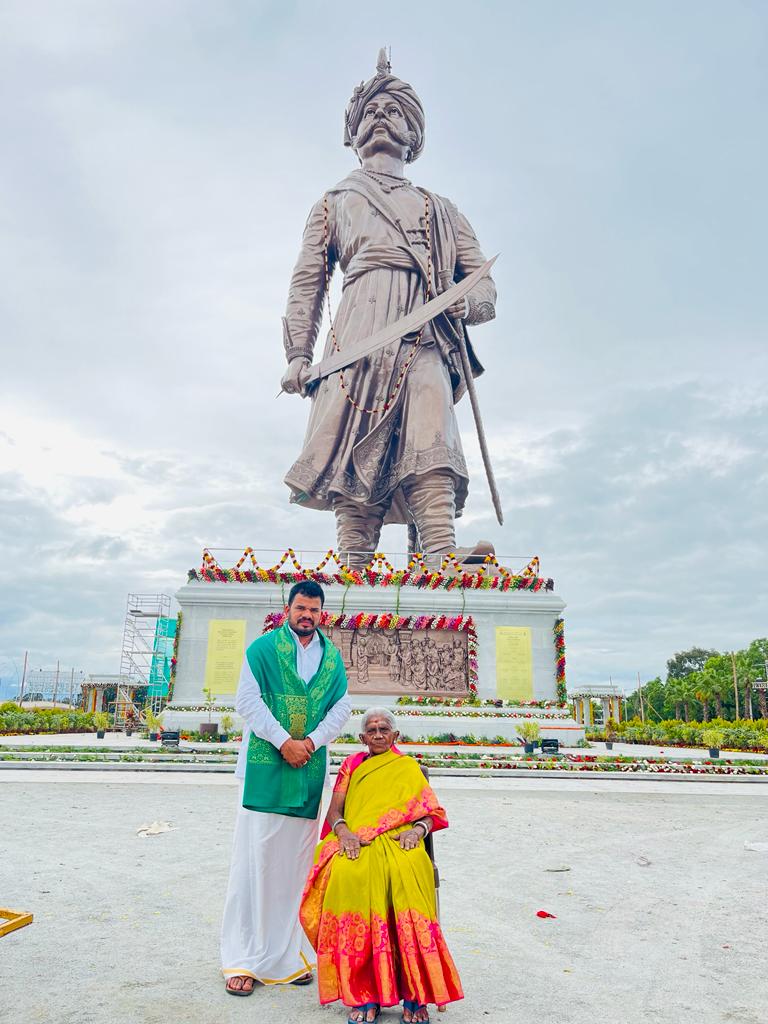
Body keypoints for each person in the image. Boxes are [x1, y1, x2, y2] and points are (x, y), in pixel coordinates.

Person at [280, 50, 497, 565]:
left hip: (425, 334)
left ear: (413, 133)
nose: (381, 116)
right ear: (354, 133)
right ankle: (353, 559)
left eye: (393, 110)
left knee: (429, 424)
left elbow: (484, 284)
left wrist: (470, 304)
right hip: (355, 338)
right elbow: (307, 281)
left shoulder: (442, 209)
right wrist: (296, 352)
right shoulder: (334, 201)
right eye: (370, 111)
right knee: (353, 437)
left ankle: (439, 550)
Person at [220, 580, 352, 995]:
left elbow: (343, 706)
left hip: (308, 772)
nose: (306, 615)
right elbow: (247, 701)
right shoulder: (261, 651)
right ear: (288, 607)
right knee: (255, 865)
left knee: (296, 869)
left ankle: (287, 956)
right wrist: (284, 742)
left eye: (313, 609)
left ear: (321, 613)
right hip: (267, 770)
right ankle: (243, 959)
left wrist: (310, 743)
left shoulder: (332, 660)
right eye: (300, 608)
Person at [299, 707, 463, 1023]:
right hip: (357, 838)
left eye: (384, 728)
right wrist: (344, 832)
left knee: (409, 872)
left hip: (401, 840)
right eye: (371, 730)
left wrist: (418, 831)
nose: (377, 734)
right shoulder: (352, 765)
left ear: (395, 735)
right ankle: (365, 993)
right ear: (362, 737)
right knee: (346, 873)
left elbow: (431, 812)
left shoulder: (407, 767)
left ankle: (415, 995)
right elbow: (335, 810)